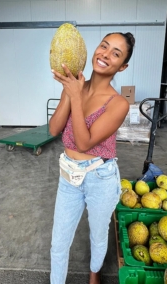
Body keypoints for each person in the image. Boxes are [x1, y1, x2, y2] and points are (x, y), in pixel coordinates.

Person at [49, 31, 135, 284]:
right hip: (69, 175)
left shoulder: (118, 104)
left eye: (116, 54)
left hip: (101, 177)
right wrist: (70, 90)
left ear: (123, 66)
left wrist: (75, 95)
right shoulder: (74, 86)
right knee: (58, 242)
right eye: (104, 46)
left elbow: (84, 141)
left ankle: (94, 273)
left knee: (98, 235)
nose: (106, 55)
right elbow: (54, 129)